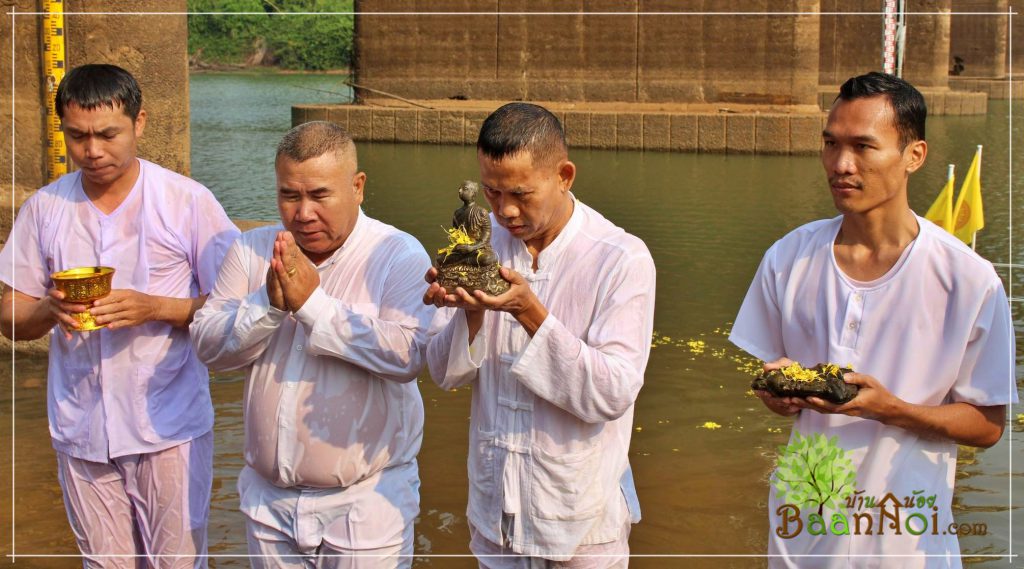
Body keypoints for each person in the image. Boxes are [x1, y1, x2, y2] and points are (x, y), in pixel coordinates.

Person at [729, 72, 1015, 568]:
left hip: (905, 538)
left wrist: (890, 408)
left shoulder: (968, 279)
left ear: (914, 155)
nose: (841, 165)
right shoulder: (789, 258)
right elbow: (782, 389)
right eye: (830, 144)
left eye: (864, 146)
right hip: (802, 533)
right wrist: (780, 395)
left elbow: (987, 425)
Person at [0, 64, 239, 567]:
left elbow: (238, 308)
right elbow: (11, 316)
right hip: (80, 426)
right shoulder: (45, 208)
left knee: (175, 562)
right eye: (78, 136)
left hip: (169, 425)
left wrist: (155, 307)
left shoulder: (186, 202)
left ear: (140, 123)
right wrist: (49, 309)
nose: (93, 151)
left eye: (108, 134)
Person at [190, 121, 434, 568]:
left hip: (365, 503)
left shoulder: (398, 254)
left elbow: (410, 356)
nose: (302, 213)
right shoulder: (252, 250)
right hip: (268, 502)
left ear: (357, 187)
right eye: (289, 195)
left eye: (319, 195)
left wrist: (313, 306)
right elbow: (208, 346)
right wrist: (267, 305)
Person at [423, 102, 656, 567]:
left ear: (564, 175)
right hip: (495, 514)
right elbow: (443, 375)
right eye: (491, 192)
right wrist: (469, 316)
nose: (505, 210)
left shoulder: (620, 258)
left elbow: (612, 393)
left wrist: (529, 313)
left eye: (521, 194)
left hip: (581, 520)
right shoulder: (475, 244)